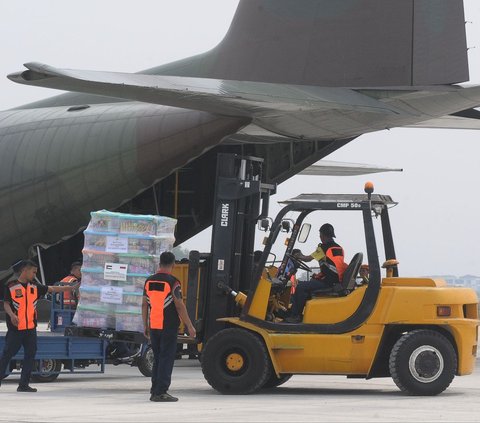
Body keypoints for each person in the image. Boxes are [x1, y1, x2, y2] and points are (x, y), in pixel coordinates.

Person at [0, 260, 79, 392]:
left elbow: (52, 289)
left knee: (30, 356)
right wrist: (12, 316)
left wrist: (70, 288)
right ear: (25, 270)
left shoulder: (35, 287)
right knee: (7, 355)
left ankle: (23, 385)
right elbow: (6, 304)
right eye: (33, 272)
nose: (34, 274)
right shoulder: (11, 286)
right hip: (16, 329)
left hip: (30, 329)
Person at [142, 252, 196, 402]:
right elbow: (179, 306)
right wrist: (190, 326)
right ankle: (161, 392)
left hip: (154, 325)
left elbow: (144, 304)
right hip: (168, 326)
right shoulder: (173, 282)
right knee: (166, 358)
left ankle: (154, 390)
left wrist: (145, 324)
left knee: (158, 358)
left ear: (160, 263)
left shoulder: (149, 281)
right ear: (173, 264)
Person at [285, 223, 347, 323]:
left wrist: (298, 255)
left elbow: (307, 259)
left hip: (329, 282)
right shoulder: (338, 248)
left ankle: (295, 316)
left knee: (300, 287)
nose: (320, 237)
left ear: (322, 235)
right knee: (309, 285)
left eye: (320, 235)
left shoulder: (323, 248)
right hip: (336, 280)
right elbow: (333, 266)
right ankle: (294, 312)